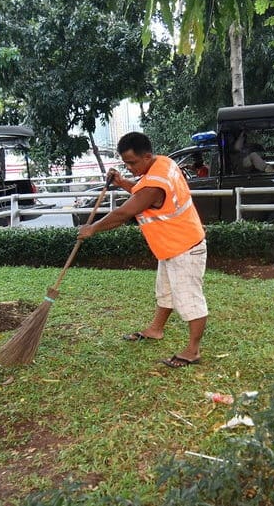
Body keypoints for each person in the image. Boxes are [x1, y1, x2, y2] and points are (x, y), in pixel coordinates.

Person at [77, 132, 208, 368]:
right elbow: (142, 192)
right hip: (171, 245)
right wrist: (122, 183)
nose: (129, 167)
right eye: (125, 163)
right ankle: (156, 330)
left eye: (132, 163)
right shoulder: (163, 163)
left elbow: (123, 214)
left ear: (147, 156)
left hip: (185, 247)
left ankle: (193, 350)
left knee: (190, 300)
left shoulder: (154, 184)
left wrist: (92, 229)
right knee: (165, 291)